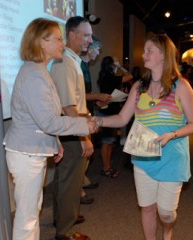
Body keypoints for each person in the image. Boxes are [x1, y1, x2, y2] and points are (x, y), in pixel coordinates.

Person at [95, 34, 193, 240]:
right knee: (147, 208)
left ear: (163, 55)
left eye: (149, 50)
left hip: (172, 160)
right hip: (143, 159)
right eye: (144, 50)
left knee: (166, 213)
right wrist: (97, 121)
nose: (143, 55)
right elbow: (121, 118)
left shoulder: (181, 86)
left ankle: (168, 229)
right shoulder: (138, 87)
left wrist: (173, 134)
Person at [3, 18, 96, 240]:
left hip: (32, 151)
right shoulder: (34, 75)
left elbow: (46, 118)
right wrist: (85, 124)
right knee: (27, 218)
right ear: (41, 42)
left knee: (31, 213)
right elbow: (48, 121)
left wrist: (54, 143)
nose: (62, 44)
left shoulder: (39, 71)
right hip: (26, 154)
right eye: (57, 39)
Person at [50, 16, 93, 240]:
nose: (90, 39)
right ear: (72, 35)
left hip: (70, 129)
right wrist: (83, 138)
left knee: (64, 179)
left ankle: (63, 218)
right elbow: (68, 106)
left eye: (90, 35)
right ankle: (65, 231)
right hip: (71, 131)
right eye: (85, 35)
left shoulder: (72, 60)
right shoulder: (65, 62)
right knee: (70, 182)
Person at [79, 36, 111, 204]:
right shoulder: (77, 64)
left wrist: (95, 100)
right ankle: (78, 191)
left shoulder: (83, 65)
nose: (98, 53)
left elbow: (84, 95)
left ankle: (82, 182)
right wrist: (97, 96)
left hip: (86, 113)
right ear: (89, 48)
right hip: (79, 117)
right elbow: (75, 96)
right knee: (82, 154)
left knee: (85, 154)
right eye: (97, 49)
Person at [97, 56, 133, 178]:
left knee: (109, 142)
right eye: (115, 63)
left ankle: (107, 166)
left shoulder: (103, 76)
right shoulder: (111, 78)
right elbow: (129, 76)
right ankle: (106, 168)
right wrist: (121, 67)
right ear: (112, 65)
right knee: (107, 142)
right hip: (109, 112)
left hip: (107, 111)